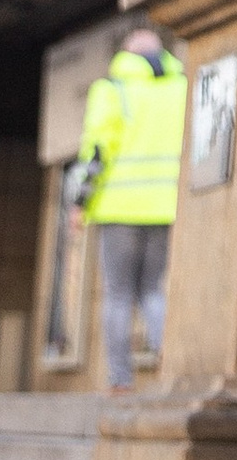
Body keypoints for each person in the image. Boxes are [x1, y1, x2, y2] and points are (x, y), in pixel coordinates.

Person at [74, 26, 186, 392]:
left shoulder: (112, 90)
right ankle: (168, 363)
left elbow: (96, 150)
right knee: (153, 290)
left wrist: (79, 201)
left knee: (119, 293)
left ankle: (121, 380)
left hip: (119, 208)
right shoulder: (180, 89)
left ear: (127, 53)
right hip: (165, 207)